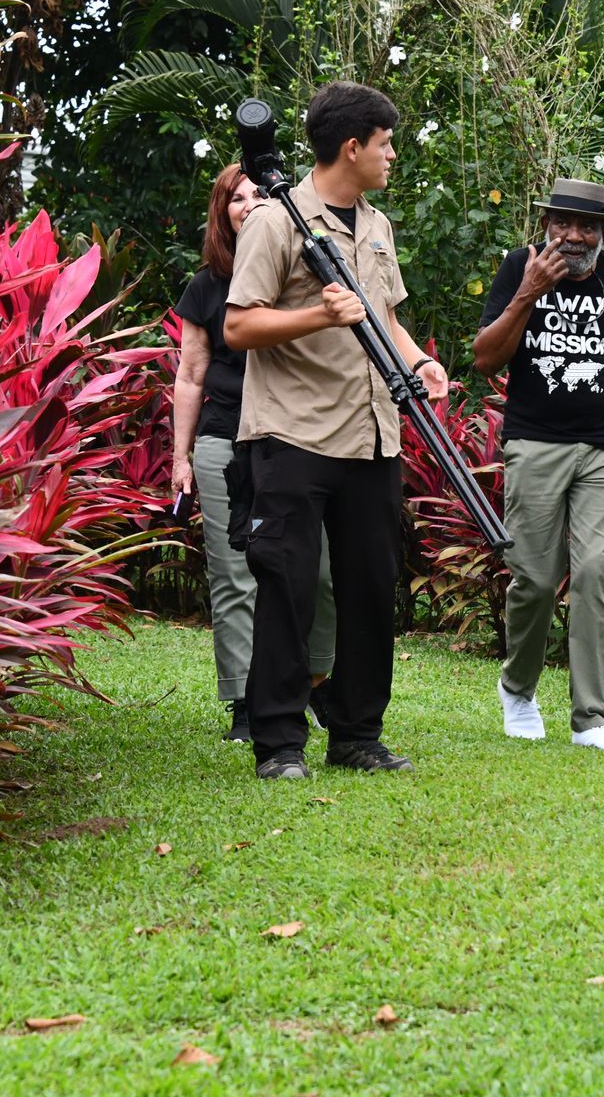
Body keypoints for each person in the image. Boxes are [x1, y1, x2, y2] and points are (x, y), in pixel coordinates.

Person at [224, 81, 450, 780]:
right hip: (293, 433)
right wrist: (318, 317)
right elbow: (239, 325)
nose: (392, 156)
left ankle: (357, 734)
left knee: (370, 587)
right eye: (385, 144)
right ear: (352, 147)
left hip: (372, 434)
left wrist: (422, 362)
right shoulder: (275, 222)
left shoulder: (376, 226)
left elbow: (385, 317)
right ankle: (280, 743)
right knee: (289, 590)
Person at [472, 178, 604, 753]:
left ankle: (590, 718)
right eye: (563, 223)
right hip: (536, 441)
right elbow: (485, 359)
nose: (574, 236)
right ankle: (518, 689)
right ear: (547, 224)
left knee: (593, 573)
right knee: (532, 578)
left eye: (587, 226)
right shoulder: (518, 268)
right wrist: (528, 291)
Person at [171, 165, 336, 741]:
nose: (249, 205)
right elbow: (191, 376)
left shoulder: (305, 275)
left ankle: (317, 686)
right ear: (222, 213)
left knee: (314, 569)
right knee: (236, 570)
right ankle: (244, 699)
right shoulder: (205, 287)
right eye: (236, 199)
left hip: (293, 438)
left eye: (260, 196)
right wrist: (181, 458)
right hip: (223, 438)